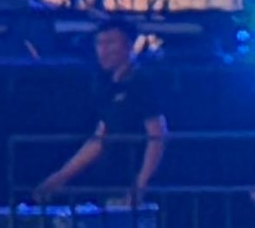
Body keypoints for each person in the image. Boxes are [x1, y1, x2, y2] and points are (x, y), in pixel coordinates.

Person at [36, 20, 175, 198]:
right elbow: (100, 138)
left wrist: (141, 183)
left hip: (140, 185)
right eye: (99, 43)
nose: (103, 50)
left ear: (129, 45)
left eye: (110, 43)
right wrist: (61, 177)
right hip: (113, 182)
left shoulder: (142, 82)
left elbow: (157, 135)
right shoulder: (108, 87)